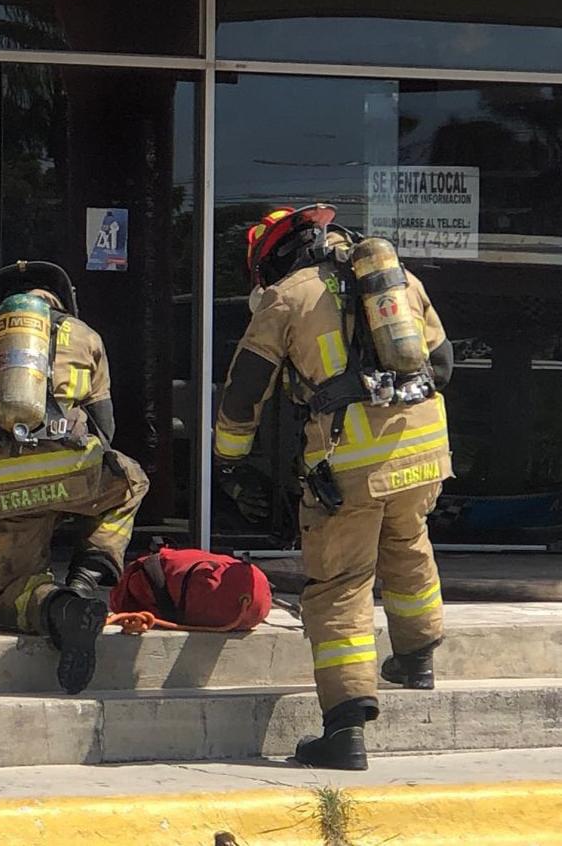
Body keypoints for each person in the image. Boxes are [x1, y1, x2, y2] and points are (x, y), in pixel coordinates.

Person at [212, 204, 453, 771]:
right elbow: (441, 364)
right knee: (407, 541)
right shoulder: (399, 281)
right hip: (424, 453)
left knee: (340, 583)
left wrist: (229, 460)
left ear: (272, 258)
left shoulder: (286, 296)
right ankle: (416, 658)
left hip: (351, 462)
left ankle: (345, 728)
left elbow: (245, 391)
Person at [0, 260, 149, 694]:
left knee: (10, 596)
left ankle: (59, 608)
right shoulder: (86, 337)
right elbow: (105, 426)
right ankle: (85, 580)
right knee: (130, 479)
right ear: (63, 298)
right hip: (73, 474)